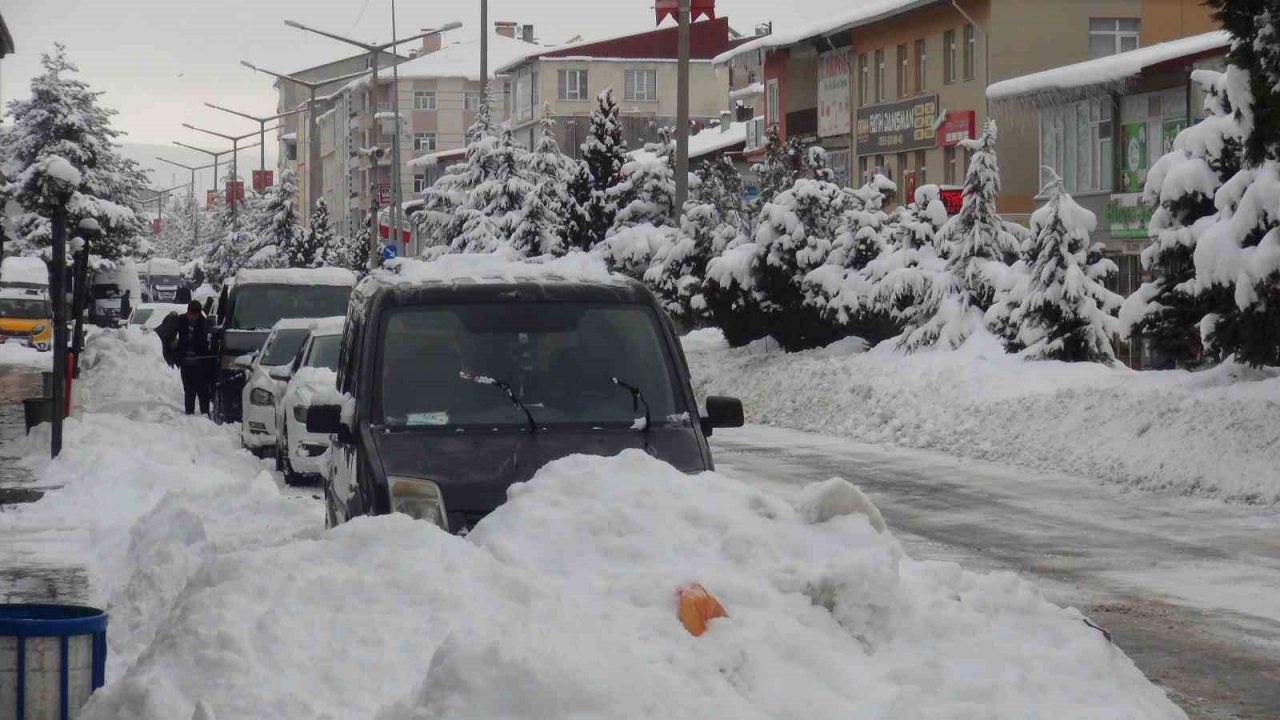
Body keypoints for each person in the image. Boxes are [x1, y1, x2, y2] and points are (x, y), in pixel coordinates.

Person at [171, 300, 213, 415]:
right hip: (186, 363)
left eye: (195, 315)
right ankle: (189, 414)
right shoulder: (181, 320)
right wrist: (175, 345)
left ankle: (205, 414)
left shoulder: (204, 323)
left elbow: (205, 343)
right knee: (189, 391)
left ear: (199, 314)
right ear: (188, 312)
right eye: (191, 315)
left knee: (203, 391)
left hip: (200, 364)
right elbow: (171, 335)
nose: (193, 318)